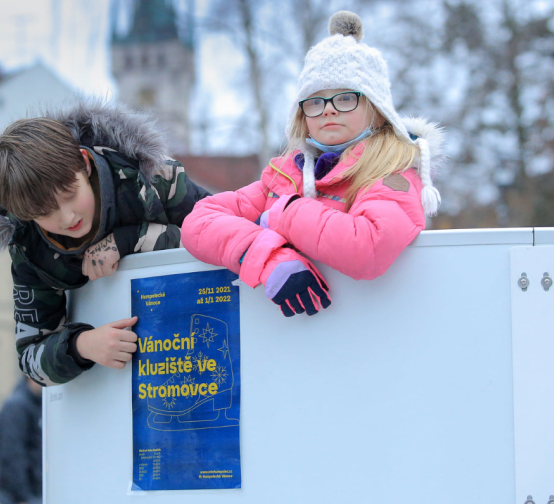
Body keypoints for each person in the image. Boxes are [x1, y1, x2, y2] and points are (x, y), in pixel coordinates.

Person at [182, 11, 444, 317]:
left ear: (376, 108)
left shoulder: (392, 174)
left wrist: (284, 213)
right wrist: (271, 259)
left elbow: (369, 248)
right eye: (315, 102)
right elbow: (199, 223)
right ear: (302, 114)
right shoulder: (284, 175)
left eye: (345, 98)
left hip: (369, 339)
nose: (328, 111)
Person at [0, 100, 210, 385]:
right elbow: (30, 356)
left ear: (84, 163)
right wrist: (82, 345)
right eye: (45, 213)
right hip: (112, 397)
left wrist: (130, 240)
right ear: (23, 216)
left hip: (200, 342)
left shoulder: (150, 177)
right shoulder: (29, 248)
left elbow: (220, 236)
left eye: (70, 193)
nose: (67, 216)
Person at [0, 378, 43, 504]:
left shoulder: (40, 405)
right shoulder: (16, 407)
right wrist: (23, 497)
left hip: (35, 495)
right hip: (21, 497)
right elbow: (11, 456)